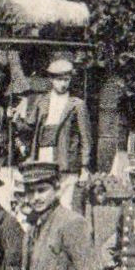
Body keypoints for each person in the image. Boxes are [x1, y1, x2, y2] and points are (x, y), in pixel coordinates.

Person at [16, 58, 92, 211]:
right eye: (59, 80)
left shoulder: (77, 104)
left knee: (66, 202)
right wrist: (16, 119)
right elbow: (29, 127)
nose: (63, 84)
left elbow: (86, 138)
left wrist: (84, 166)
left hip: (66, 159)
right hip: (44, 155)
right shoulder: (41, 101)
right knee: (45, 197)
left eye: (66, 79)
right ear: (51, 79)